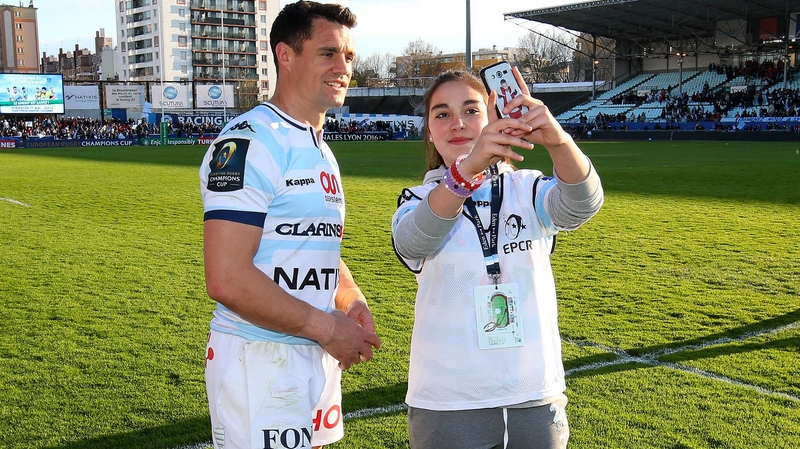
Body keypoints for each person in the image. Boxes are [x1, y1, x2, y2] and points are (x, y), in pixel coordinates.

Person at [199, 2, 381, 448]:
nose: (343, 68)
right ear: (285, 54)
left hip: (312, 350)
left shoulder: (319, 146)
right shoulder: (249, 142)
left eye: (349, 57)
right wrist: (327, 327)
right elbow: (226, 278)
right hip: (258, 358)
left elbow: (316, 247)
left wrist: (349, 298)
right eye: (328, 53)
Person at [391, 69, 604, 449]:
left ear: (493, 117)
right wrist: (466, 170)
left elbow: (581, 204)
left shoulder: (527, 188)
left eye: (471, 110)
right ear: (428, 132)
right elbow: (413, 241)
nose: (457, 122)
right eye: (441, 114)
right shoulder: (417, 198)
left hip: (534, 395)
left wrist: (558, 141)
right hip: (448, 401)